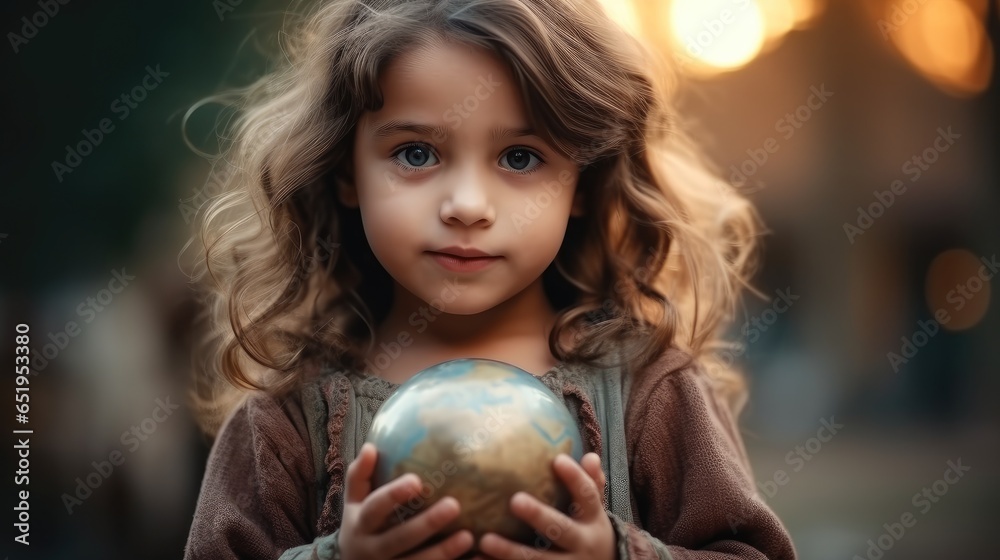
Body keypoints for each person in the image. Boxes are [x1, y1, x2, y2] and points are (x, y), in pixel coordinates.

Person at [181, 0, 797, 558]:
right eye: (416, 153)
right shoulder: (286, 419)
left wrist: (618, 554)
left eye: (520, 157)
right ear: (346, 170)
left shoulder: (652, 392)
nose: (468, 205)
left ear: (582, 182)